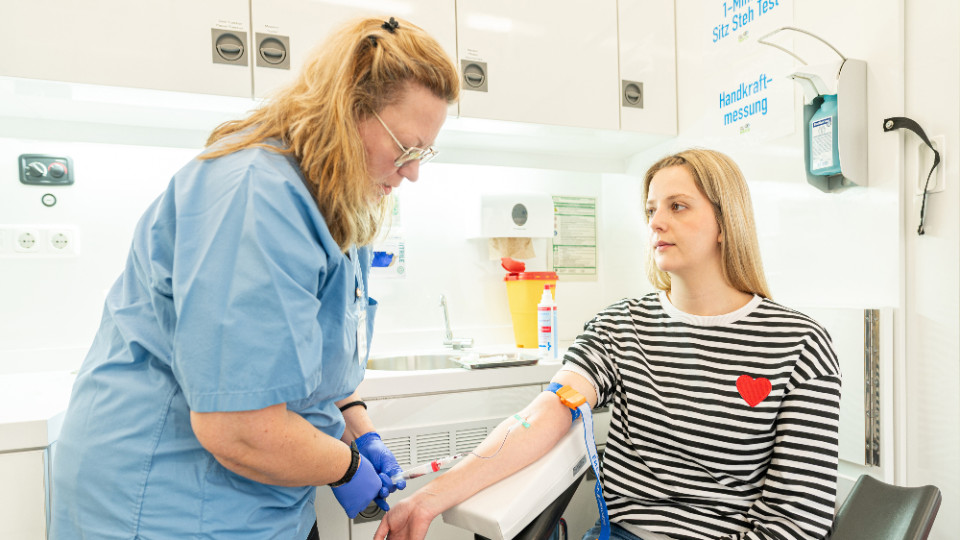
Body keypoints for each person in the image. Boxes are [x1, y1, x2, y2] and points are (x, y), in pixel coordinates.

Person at [50, 16, 459, 539]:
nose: (413, 172)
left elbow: (312, 357)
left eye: (423, 153)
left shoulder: (337, 200)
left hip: (258, 500)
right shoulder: (255, 196)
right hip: (165, 502)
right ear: (348, 112)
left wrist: (359, 430)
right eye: (406, 148)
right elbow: (238, 428)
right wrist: (346, 466)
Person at [376, 149, 842, 540]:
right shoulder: (620, 328)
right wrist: (430, 497)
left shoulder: (799, 345)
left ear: (726, 222)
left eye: (677, 206)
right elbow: (545, 415)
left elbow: (796, 521)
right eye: (651, 209)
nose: (656, 222)